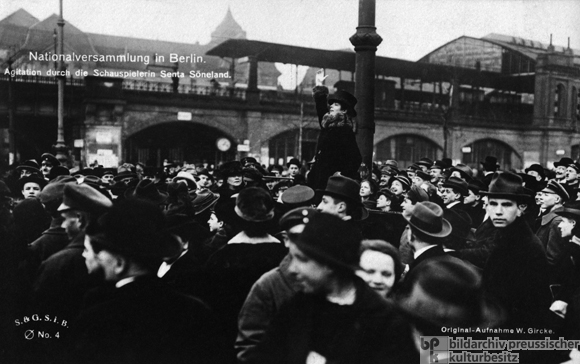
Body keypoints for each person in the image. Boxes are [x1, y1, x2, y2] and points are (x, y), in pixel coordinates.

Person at [249, 212, 418, 364]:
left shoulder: (389, 322)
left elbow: (439, 353)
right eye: (369, 271)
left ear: (329, 264)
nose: (292, 269)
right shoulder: (296, 307)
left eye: (302, 259)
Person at [67, 199, 218, 364]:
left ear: (119, 263)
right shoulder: (196, 310)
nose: (86, 256)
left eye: (93, 251)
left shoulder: (98, 318)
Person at [236, 207, 315, 363]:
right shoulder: (268, 285)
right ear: (286, 240)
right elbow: (250, 347)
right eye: (297, 236)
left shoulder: (335, 280)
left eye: (312, 236)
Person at [479, 172, 552, 330]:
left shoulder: (525, 246)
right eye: (493, 204)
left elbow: (530, 310)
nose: (498, 211)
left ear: (521, 208)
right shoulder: (504, 236)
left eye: (506, 204)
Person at [307, 85, 361, 190]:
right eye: (331, 104)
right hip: (319, 176)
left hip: (331, 181)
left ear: (344, 110)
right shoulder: (327, 124)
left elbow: (356, 158)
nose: (331, 106)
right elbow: (321, 110)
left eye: (336, 104)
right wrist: (320, 96)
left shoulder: (345, 131)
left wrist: (342, 174)